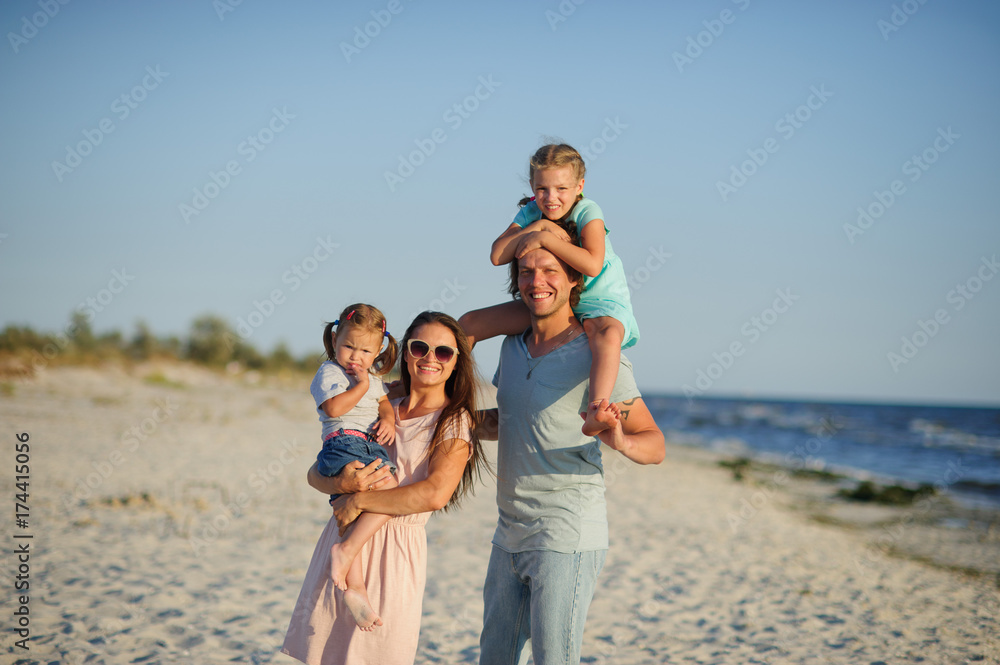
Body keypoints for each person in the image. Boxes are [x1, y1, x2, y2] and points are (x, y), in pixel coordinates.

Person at [477, 245, 665, 665]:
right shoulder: (512, 346)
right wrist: (446, 424)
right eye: (526, 272)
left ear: (576, 279)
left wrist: (621, 441)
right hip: (508, 531)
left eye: (549, 270)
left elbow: (654, 442)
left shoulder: (596, 354)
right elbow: (506, 419)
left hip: (566, 533)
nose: (536, 281)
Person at [282, 311, 486, 665]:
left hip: (395, 553)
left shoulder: (454, 420)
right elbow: (315, 473)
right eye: (420, 347)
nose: (429, 358)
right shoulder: (378, 405)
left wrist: (359, 497)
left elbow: (434, 494)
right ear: (404, 352)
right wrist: (340, 483)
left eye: (443, 352)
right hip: (343, 537)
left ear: (456, 363)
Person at [459, 143, 640, 437]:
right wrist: (539, 225)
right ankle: (437, 393)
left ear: (580, 186)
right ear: (532, 185)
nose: (551, 197)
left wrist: (548, 239)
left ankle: (596, 409)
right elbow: (497, 255)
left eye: (561, 188)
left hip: (598, 300)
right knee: (470, 323)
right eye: (542, 188)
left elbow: (593, 264)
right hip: (549, 299)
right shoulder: (532, 212)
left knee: (605, 335)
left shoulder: (588, 210)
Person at [309, 303, 400, 629]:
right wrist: (359, 386)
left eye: (365, 351)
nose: (355, 357)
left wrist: (388, 419)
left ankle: (356, 588)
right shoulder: (331, 373)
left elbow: (383, 402)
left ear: (377, 351)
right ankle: (346, 550)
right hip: (342, 442)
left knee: (352, 513)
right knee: (390, 492)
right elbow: (334, 408)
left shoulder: (372, 377)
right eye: (348, 346)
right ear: (335, 340)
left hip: (367, 443)